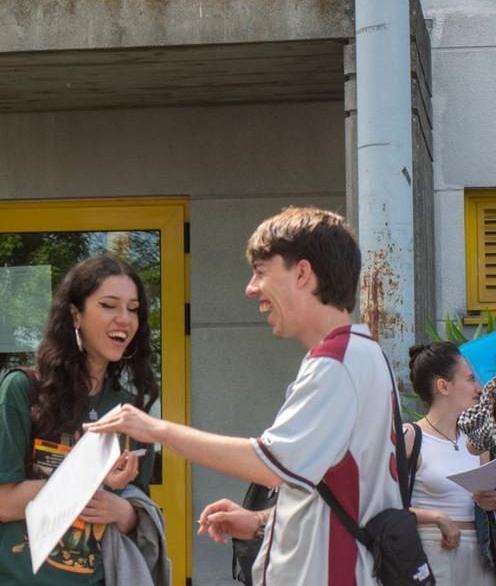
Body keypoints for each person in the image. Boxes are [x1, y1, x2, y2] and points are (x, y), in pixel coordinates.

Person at [90, 207, 402, 585]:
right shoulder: (364, 355)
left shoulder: (334, 365)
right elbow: (334, 492)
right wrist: (258, 522)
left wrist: (155, 429)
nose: (252, 288)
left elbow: (268, 463)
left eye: (261, 272)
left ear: (301, 273)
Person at [0, 255, 162, 584]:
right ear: (75, 315)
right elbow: (5, 502)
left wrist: (123, 512)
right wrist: (91, 482)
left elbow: (138, 514)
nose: (124, 319)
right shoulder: (23, 390)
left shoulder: (129, 412)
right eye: (109, 306)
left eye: (133, 308)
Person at [405, 341, 496, 582]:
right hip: (432, 554)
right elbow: (381, 505)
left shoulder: (477, 441)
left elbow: (485, 504)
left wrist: (491, 502)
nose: (479, 387)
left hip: (480, 556)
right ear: (443, 386)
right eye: (469, 379)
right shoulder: (411, 436)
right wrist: (437, 517)